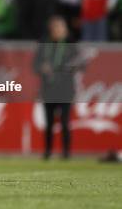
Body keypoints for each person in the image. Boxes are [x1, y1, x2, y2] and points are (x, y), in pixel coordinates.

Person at [33, 16, 82, 160]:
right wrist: (42, 68)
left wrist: (68, 68)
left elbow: (79, 64)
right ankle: (48, 151)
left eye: (62, 27)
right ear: (51, 29)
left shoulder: (71, 44)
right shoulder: (44, 44)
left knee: (65, 121)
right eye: (57, 27)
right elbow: (35, 65)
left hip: (66, 88)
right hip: (48, 88)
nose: (60, 30)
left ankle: (66, 152)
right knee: (49, 123)